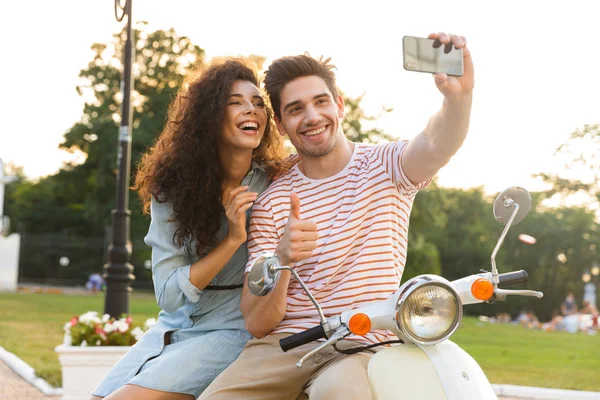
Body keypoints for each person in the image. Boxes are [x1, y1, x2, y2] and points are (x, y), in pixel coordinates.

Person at [200, 32, 474, 400]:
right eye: (296, 109)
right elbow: (257, 321)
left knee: (340, 394)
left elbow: (438, 142)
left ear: (339, 105)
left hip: (359, 339)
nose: (312, 117)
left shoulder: (387, 166)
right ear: (280, 125)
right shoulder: (272, 201)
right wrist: (282, 259)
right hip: (283, 347)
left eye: (320, 102)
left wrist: (458, 100)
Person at [91, 59, 288, 400]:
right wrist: (232, 241)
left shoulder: (275, 181)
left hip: (233, 326)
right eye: (235, 101)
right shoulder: (173, 191)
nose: (251, 110)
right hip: (176, 324)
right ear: (210, 116)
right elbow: (168, 296)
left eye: (258, 103)